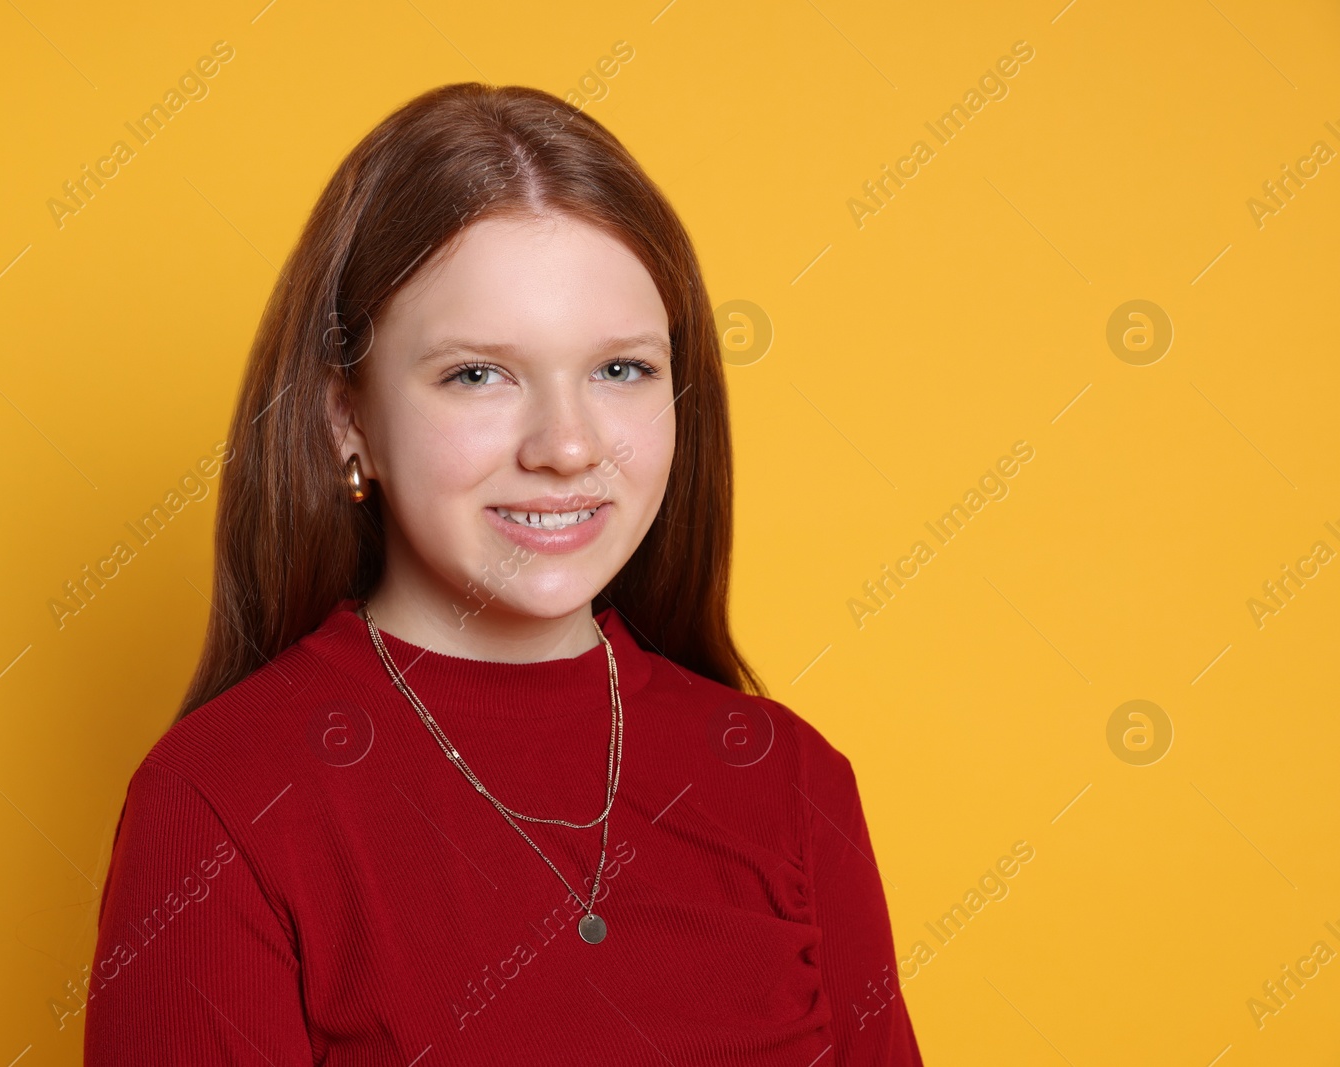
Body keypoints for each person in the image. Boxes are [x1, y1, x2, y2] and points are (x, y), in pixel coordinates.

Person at [84, 81, 923, 1065]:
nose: (567, 446)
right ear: (345, 418)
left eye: (620, 370)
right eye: (477, 373)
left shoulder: (788, 778)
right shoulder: (220, 800)